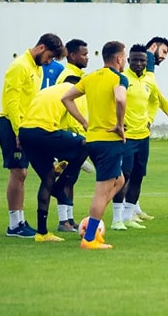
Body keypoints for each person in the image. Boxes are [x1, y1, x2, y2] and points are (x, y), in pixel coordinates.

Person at [62, 40, 129, 250]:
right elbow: (121, 100)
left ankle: (92, 223)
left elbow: (66, 98)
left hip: (92, 141)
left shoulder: (89, 78)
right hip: (109, 142)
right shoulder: (119, 78)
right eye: (125, 57)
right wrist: (119, 125)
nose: (125, 61)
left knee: (119, 180)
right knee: (102, 191)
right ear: (119, 58)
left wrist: (84, 122)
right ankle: (89, 238)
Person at [0, 33, 65, 238]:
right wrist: (18, 131)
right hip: (12, 124)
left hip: (26, 125)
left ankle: (19, 221)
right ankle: (14, 224)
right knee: (18, 172)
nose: (49, 62)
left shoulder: (36, 69)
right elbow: (11, 102)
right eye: (50, 56)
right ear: (41, 47)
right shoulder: (20, 66)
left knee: (23, 173)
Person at [111, 45, 168, 231]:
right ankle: (116, 219)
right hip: (126, 136)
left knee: (138, 176)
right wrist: (116, 122)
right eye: (135, 60)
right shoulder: (122, 79)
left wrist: (153, 117)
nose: (139, 63)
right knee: (123, 176)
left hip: (143, 136)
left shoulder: (149, 79)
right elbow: (111, 101)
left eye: (142, 60)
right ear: (128, 61)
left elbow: (156, 98)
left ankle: (128, 216)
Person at [19, 75, 87, 242]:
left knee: (48, 177)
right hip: (44, 132)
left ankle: (42, 233)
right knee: (85, 143)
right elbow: (72, 124)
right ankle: (59, 187)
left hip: (25, 133)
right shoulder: (71, 93)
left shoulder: (47, 91)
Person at [54, 38, 92, 230]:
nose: (87, 57)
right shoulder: (68, 77)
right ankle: (63, 220)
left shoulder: (78, 75)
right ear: (72, 55)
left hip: (77, 133)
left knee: (71, 178)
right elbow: (65, 105)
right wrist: (75, 131)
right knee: (67, 178)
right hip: (70, 133)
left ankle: (69, 219)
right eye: (83, 54)